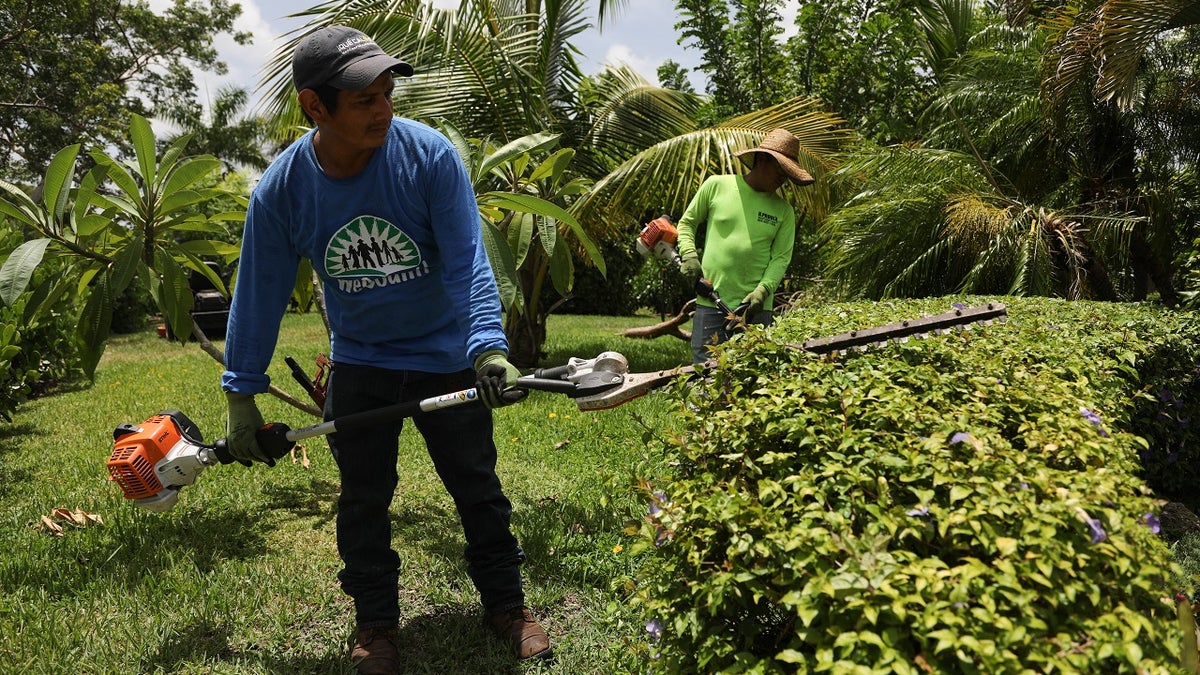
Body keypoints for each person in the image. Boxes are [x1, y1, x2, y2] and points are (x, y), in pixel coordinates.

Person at [219, 25, 550, 674]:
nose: (383, 109)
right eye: (364, 99)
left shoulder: (428, 157)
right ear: (315, 107)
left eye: (387, 92)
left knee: (477, 487)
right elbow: (257, 292)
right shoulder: (283, 190)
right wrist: (241, 397)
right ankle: (375, 627)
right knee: (363, 499)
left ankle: (508, 607)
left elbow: (466, 262)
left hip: (447, 355)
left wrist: (486, 347)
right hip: (363, 361)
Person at [675, 128, 814, 364]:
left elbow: (780, 258)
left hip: (755, 309)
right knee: (705, 370)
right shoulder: (716, 186)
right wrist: (689, 254)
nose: (783, 179)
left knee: (750, 376)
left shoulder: (784, 211)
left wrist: (762, 291)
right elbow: (687, 223)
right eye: (780, 169)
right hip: (711, 300)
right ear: (761, 159)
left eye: (787, 174)